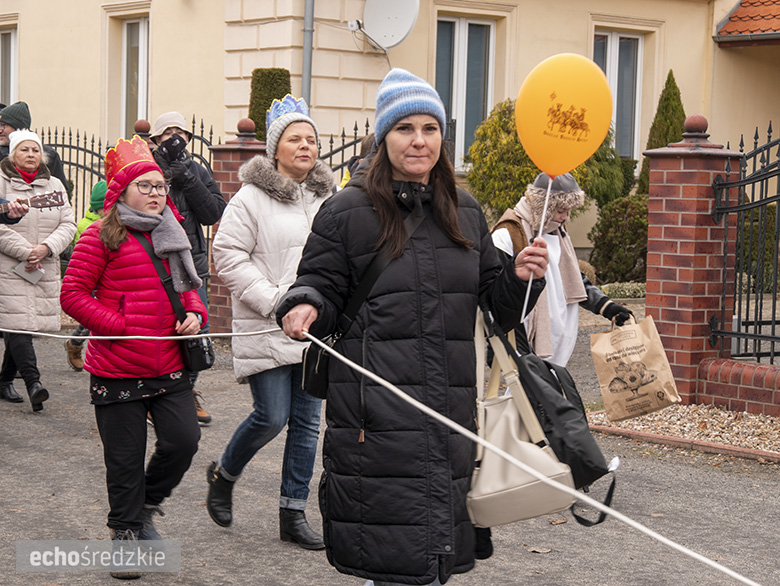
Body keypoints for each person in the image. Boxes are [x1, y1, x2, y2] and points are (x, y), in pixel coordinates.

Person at [275, 69, 549, 585]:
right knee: (398, 560)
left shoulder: (465, 213)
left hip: (448, 412)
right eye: (405, 129)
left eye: (430, 128)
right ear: (383, 138)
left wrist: (518, 277)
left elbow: (496, 307)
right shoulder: (346, 212)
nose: (419, 140)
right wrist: (305, 305)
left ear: (443, 137)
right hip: (376, 417)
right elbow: (319, 284)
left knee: (433, 557)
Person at [60, 135, 206, 578]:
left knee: (184, 441)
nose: (156, 193)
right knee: (124, 460)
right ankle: (123, 534)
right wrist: (118, 326)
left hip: (168, 362)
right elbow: (72, 294)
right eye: (145, 186)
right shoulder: (99, 236)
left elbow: (190, 288)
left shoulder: (174, 233)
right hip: (118, 366)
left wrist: (196, 314)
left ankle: (145, 509)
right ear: (122, 191)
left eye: (160, 186)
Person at [205, 95, 334, 550]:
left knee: (307, 424)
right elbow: (227, 255)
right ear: (276, 148)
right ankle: (224, 472)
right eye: (295, 139)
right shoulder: (250, 199)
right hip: (269, 324)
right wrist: (276, 302)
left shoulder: (327, 198)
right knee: (272, 416)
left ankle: (292, 514)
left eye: (312, 140)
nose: (305, 146)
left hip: (316, 329)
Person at [491, 172, 632, 367]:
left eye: (568, 210)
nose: (565, 217)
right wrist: (519, 345)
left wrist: (608, 308)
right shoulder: (507, 234)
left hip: (559, 343)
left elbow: (574, 279)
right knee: (524, 395)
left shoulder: (558, 232)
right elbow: (496, 296)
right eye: (560, 210)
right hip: (524, 343)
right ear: (543, 205)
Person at [149, 111, 226, 425]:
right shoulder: (145, 166)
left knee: (199, 335)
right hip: (154, 265)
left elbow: (213, 212)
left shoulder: (195, 170)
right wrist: (164, 177)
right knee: (162, 335)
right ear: (155, 140)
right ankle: (160, 398)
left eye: (181, 132)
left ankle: (182, 393)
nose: (175, 138)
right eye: (168, 133)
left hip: (192, 268)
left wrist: (188, 179)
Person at [0, 130, 75, 410]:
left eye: (35, 150)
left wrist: (45, 248)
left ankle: (4, 380)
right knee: (17, 323)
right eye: (24, 150)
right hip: (8, 265)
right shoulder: (1, 181)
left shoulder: (54, 184)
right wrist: (26, 251)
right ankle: (34, 383)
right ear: (13, 154)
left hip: (42, 263)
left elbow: (68, 223)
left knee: (23, 323)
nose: (30, 155)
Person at [64, 180, 107, 371]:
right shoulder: (87, 226)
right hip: (93, 280)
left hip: (108, 281)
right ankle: (76, 345)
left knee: (96, 322)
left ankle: (75, 343)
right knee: (95, 320)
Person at [0, 101, 71, 197]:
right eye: (24, 150)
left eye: (3, 125)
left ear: (18, 127)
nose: (30, 155)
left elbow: (61, 197)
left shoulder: (49, 155)